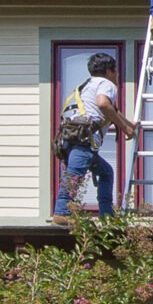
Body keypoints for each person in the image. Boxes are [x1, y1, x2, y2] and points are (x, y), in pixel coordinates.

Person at [52, 51, 133, 220]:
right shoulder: (107, 83)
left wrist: (130, 125)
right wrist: (125, 129)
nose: (117, 75)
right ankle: (62, 212)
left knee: (105, 172)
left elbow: (113, 111)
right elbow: (103, 104)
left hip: (70, 138)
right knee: (74, 174)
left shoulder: (85, 85)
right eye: (116, 71)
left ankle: (107, 214)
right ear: (109, 71)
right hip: (83, 140)